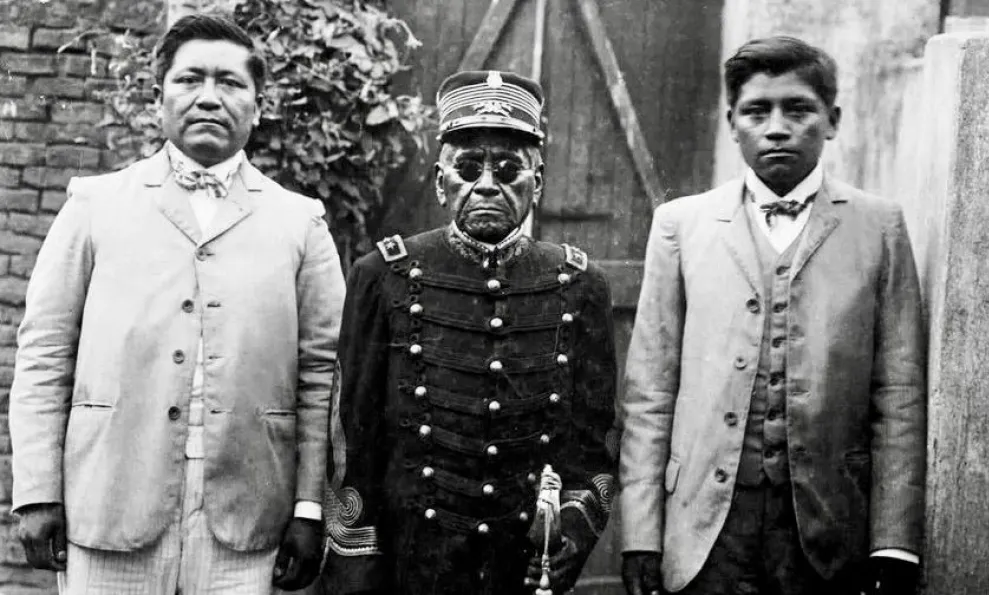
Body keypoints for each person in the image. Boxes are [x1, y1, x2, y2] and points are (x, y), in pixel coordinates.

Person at [10, 13, 344, 594]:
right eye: (190, 79)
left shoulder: (301, 223)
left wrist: (310, 508)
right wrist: (37, 492)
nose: (209, 97)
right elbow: (44, 353)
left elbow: (323, 375)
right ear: (157, 98)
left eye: (231, 83)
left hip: (248, 519)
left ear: (259, 107)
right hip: (109, 504)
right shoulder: (95, 206)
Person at [619, 36, 926, 595]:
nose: (777, 128)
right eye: (757, 111)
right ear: (731, 124)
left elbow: (899, 395)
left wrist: (894, 541)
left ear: (832, 121)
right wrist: (642, 534)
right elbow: (650, 393)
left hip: (830, 529)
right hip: (706, 528)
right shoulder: (681, 225)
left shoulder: (880, 227)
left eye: (798, 109)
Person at [320, 70, 617, 595]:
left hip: (522, 565)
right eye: (467, 167)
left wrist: (571, 529)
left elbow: (593, 440)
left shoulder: (582, 285)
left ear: (537, 183)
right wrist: (356, 569)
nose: (486, 185)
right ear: (441, 182)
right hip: (412, 564)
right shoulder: (382, 276)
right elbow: (352, 440)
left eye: (509, 169)